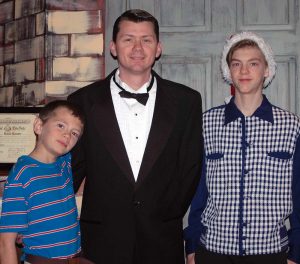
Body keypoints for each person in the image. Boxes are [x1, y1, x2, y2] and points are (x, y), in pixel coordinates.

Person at [68, 9, 204, 264]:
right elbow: (70, 172)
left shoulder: (187, 101)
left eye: (146, 39)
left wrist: (165, 212)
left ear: (158, 48)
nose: (138, 47)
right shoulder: (83, 101)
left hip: (161, 240)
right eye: (128, 39)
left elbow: (190, 167)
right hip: (100, 243)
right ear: (113, 47)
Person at [184, 31, 300, 264]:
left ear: (266, 70)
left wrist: (296, 252)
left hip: (271, 253)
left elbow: (298, 192)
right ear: (229, 71)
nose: (244, 71)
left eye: (253, 64)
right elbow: (198, 191)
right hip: (213, 251)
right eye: (237, 64)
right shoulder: (207, 123)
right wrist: (192, 244)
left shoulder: (291, 125)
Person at [0, 100, 86, 264]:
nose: (67, 135)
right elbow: (6, 242)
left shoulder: (64, 163)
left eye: (74, 133)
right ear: (39, 126)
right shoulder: (22, 174)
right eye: (61, 125)